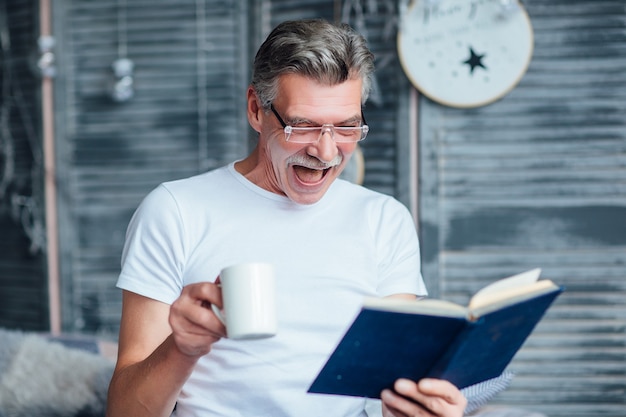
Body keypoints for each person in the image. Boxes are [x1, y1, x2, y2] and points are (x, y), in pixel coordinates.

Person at [106, 18, 467, 417]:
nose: (327, 153)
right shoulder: (174, 210)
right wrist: (183, 347)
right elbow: (125, 411)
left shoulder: (384, 220)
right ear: (256, 110)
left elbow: (391, 389)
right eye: (303, 126)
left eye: (347, 127)